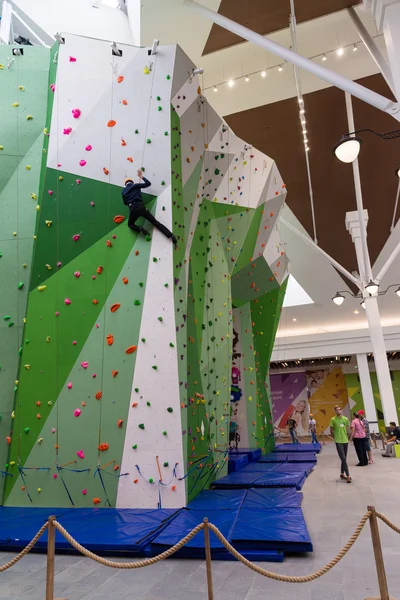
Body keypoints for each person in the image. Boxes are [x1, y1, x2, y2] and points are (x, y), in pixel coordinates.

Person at [122, 170, 177, 246]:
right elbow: (148, 183)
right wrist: (141, 177)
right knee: (155, 222)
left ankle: (140, 229)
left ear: (126, 184)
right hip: (141, 207)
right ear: (132, 182)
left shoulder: (123, 191)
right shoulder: (136, 185)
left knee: (130, 224)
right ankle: (171, 235)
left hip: (133, 209)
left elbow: (125, 203)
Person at [330, 405, 351, 483]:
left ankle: (342, 473)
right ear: (335, 411)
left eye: (339, 409)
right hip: (338, 441)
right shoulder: (333, 420)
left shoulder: (345, 419)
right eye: (336, 410)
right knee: (343, 458)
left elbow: (347, 427)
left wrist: (347, 435)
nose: (338, 411)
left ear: (341, 410)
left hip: (345, 441)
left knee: (344, 458)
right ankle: (348, 475)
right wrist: (335, 437)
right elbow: (331, 430)